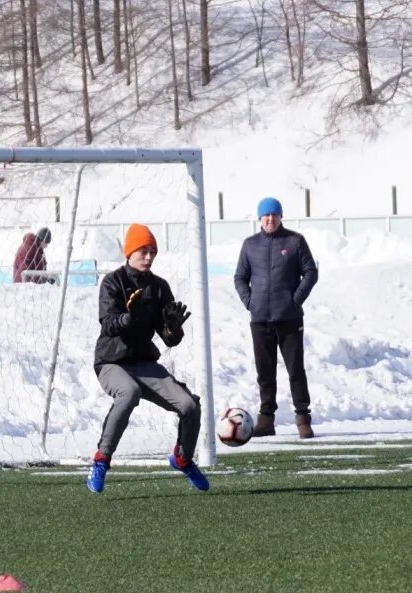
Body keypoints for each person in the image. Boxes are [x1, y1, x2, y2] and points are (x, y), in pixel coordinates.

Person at [86, 223, 207, 494]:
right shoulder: (112, 282)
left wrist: (173, 328)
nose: (149, 256)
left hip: (144, 364)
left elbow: (169, 339)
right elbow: (107, 324)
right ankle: (101, 460)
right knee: (128, 393)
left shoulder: (159, 287)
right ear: (129, 251)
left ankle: (183, 458)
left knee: (190, 406)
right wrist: (129, 317)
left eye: (152, 251)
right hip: (112, 362)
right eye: (143, 250)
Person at [233, 197, 319, 439]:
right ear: (260, 218)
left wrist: (296, 300)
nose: (270, 219)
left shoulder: (294, 241)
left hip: (289, 318)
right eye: (266, 215)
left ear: (280, 216)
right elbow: (240, 277)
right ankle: (266, 420)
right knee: (265, 372)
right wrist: (250, 302)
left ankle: (303, 418)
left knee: (295, 370)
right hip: (260, 319)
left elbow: (310, 272)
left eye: (274, 215)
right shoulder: (250, 245)